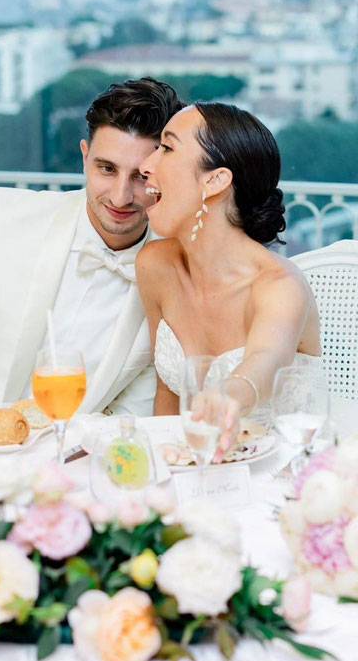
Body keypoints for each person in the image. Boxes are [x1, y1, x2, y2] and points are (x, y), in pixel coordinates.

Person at [0, 77, 184, 415]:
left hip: (69, 459)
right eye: (107, 169)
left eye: (141, 177)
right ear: (85, 158)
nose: (120, 196)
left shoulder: (173, 276)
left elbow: (132, 414)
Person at [135, 102, 324, 450]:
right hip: (201, 472)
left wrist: (229, 396)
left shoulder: (280, 286)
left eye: (167, 147)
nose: (145, 165)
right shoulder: (154, 266)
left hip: (285, 474)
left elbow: (264, 363)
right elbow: (168, 392)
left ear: (216, 180)